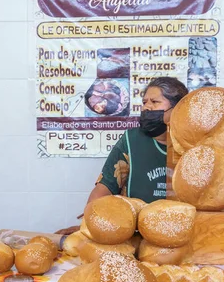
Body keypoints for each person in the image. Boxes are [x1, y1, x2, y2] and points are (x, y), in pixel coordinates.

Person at [56, 77, 189, 235]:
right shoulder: (131, 140)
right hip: (135, 234)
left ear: (179, 108)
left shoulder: (194, 146)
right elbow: (105, 188)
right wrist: (90, 223)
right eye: (145, 102)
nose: (147, 107)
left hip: (181, 233)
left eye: (154, 102)